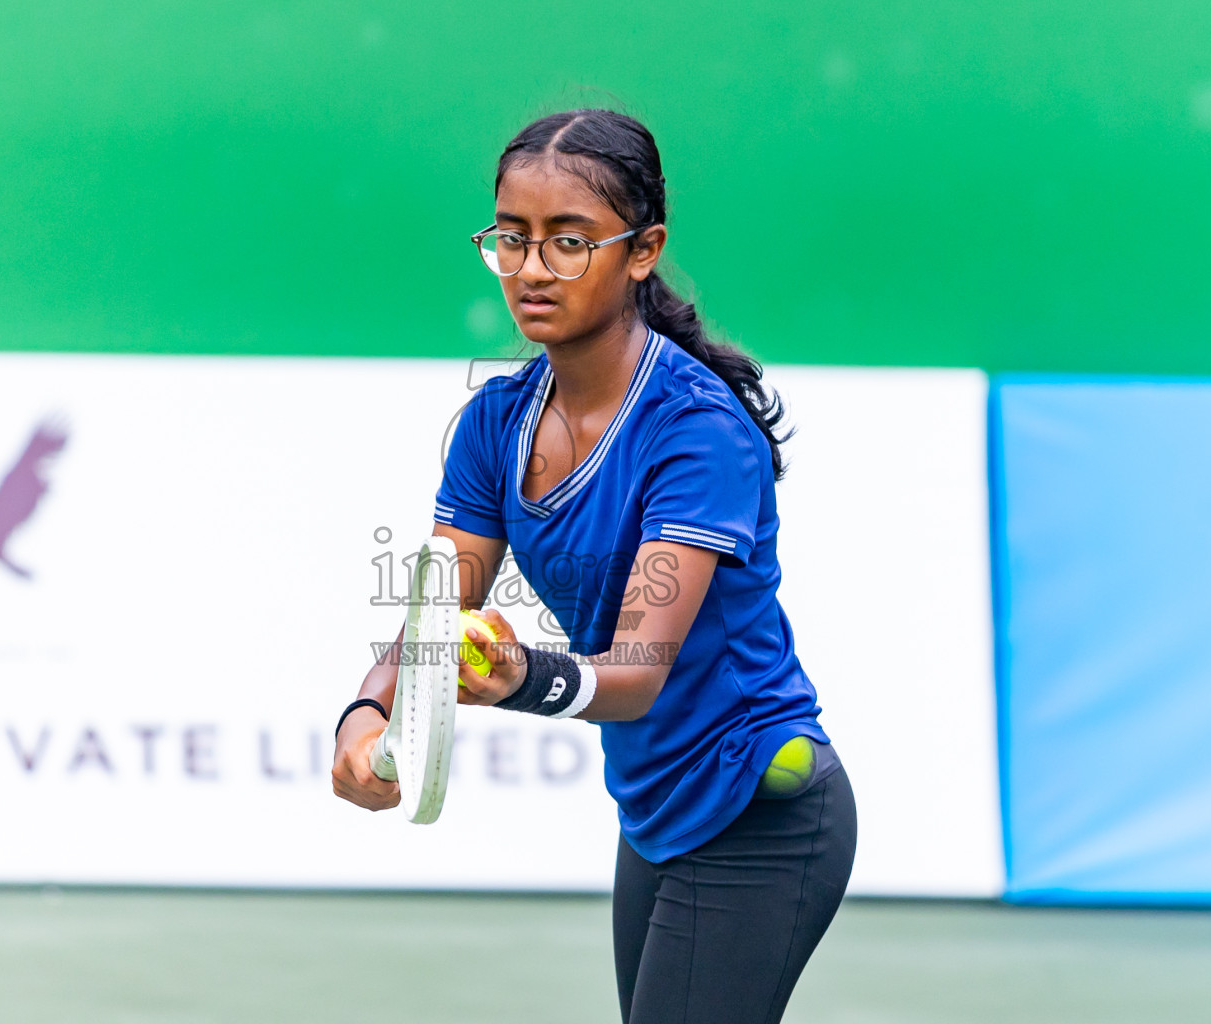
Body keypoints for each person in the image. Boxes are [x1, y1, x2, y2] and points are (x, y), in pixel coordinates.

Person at [332, 109, 856, 1024]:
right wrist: (372, 704)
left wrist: (518, 675)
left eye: (569, 243)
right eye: (512, 239)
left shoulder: (696, 435)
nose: (532, 270)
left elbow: (638, 672)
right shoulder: (494, 425)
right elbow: (437, 610)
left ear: (642, 250)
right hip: (655, 811)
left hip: (759, 808)